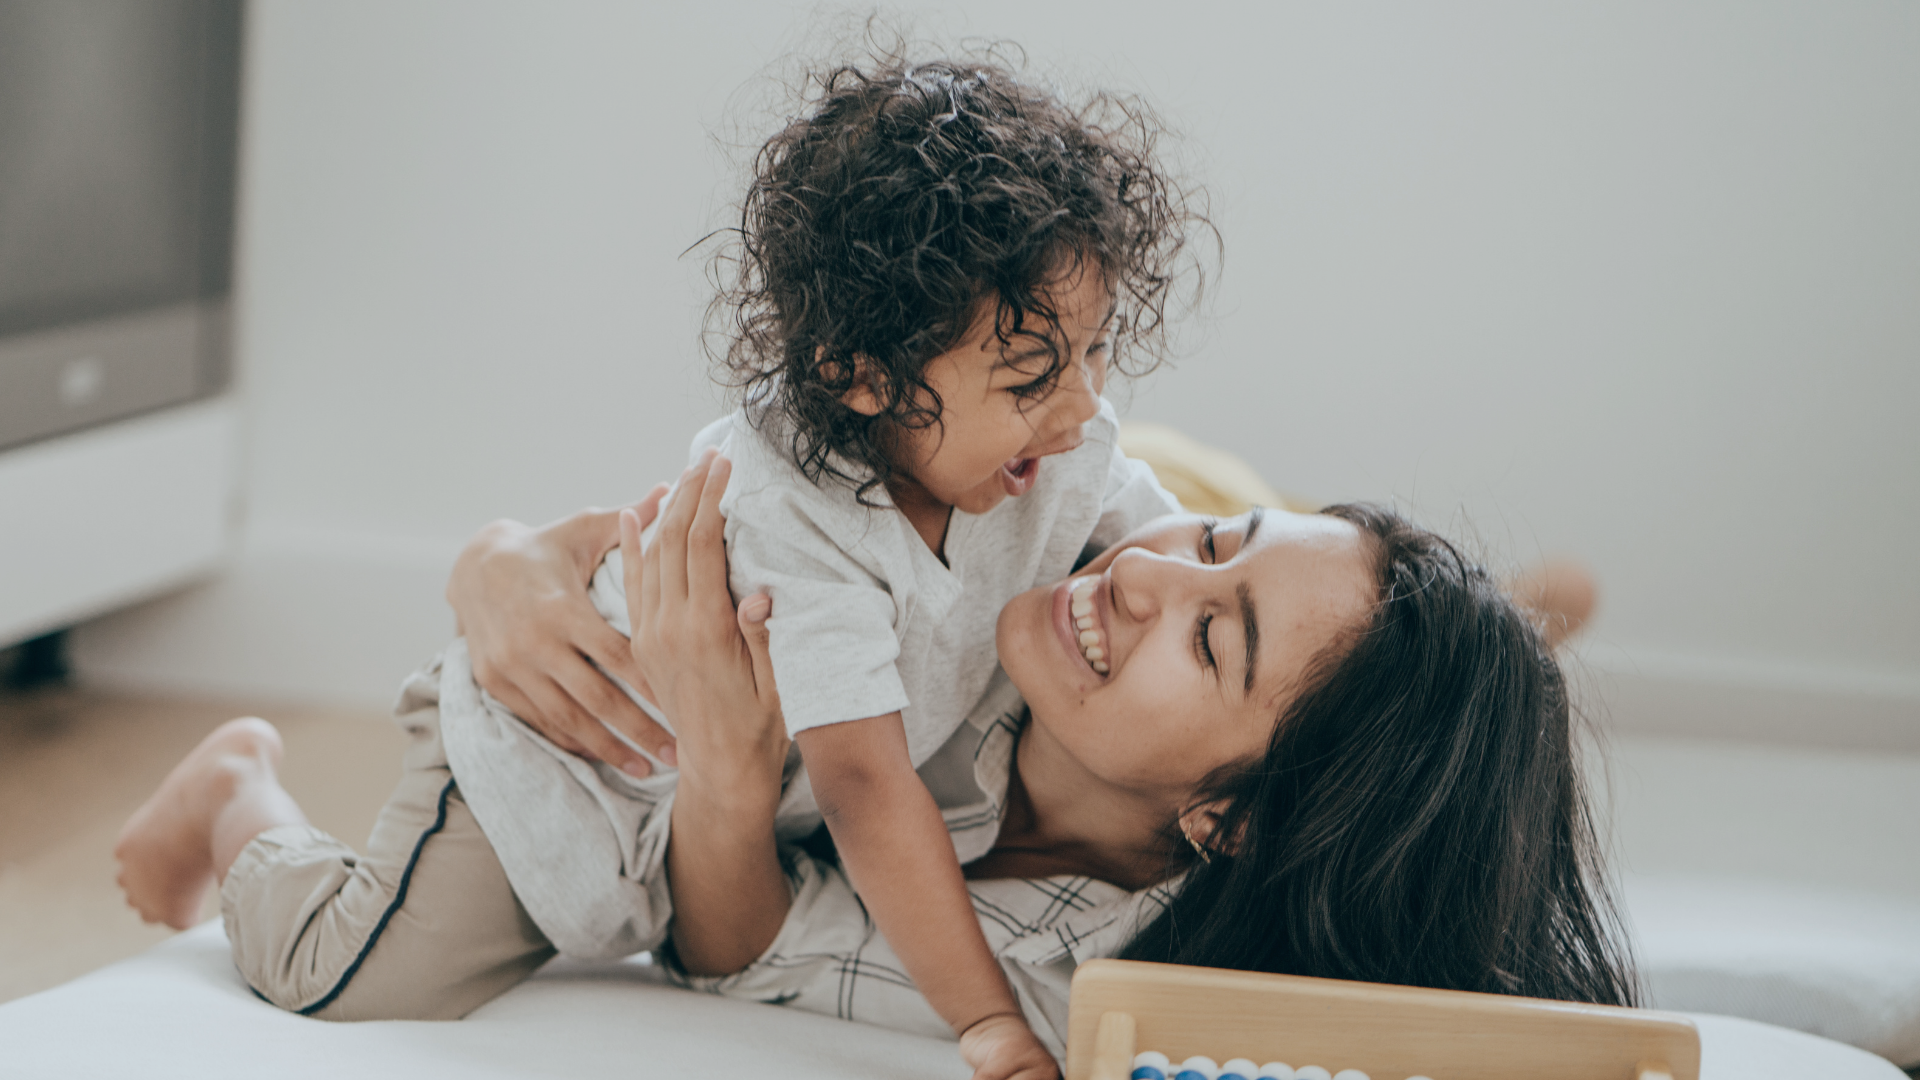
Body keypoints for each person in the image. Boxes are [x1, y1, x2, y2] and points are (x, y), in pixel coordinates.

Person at [114, 452, 1635, 1073]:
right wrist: (501, 562)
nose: (1156, 574)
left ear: (1228, 817)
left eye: (1216, 635)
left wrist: (725, 775)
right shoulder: (1080, 517)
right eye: (1217, 549)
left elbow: (738, 946)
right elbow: (708, 501)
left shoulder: (1066, 963)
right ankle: (239, 796)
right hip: (582, 703)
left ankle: (241, 800)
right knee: (365, 964)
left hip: (700, 781)